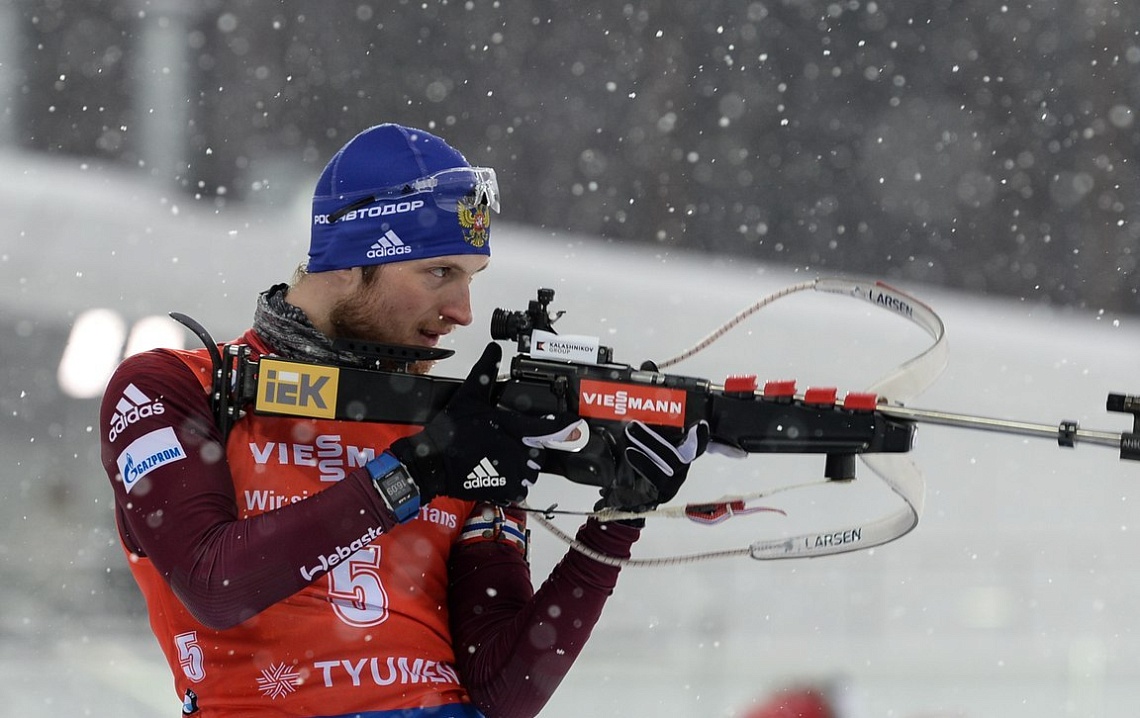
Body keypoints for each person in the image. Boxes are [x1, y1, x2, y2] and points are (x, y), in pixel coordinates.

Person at [99, 123, 709, 717]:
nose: (464, 311)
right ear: (345, 260)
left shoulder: (454, 421)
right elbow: (215, 584)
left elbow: (502, 689)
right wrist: (422, 467)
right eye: (439, 272)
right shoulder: (176, 387)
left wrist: (617, 520)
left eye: (471, 278)